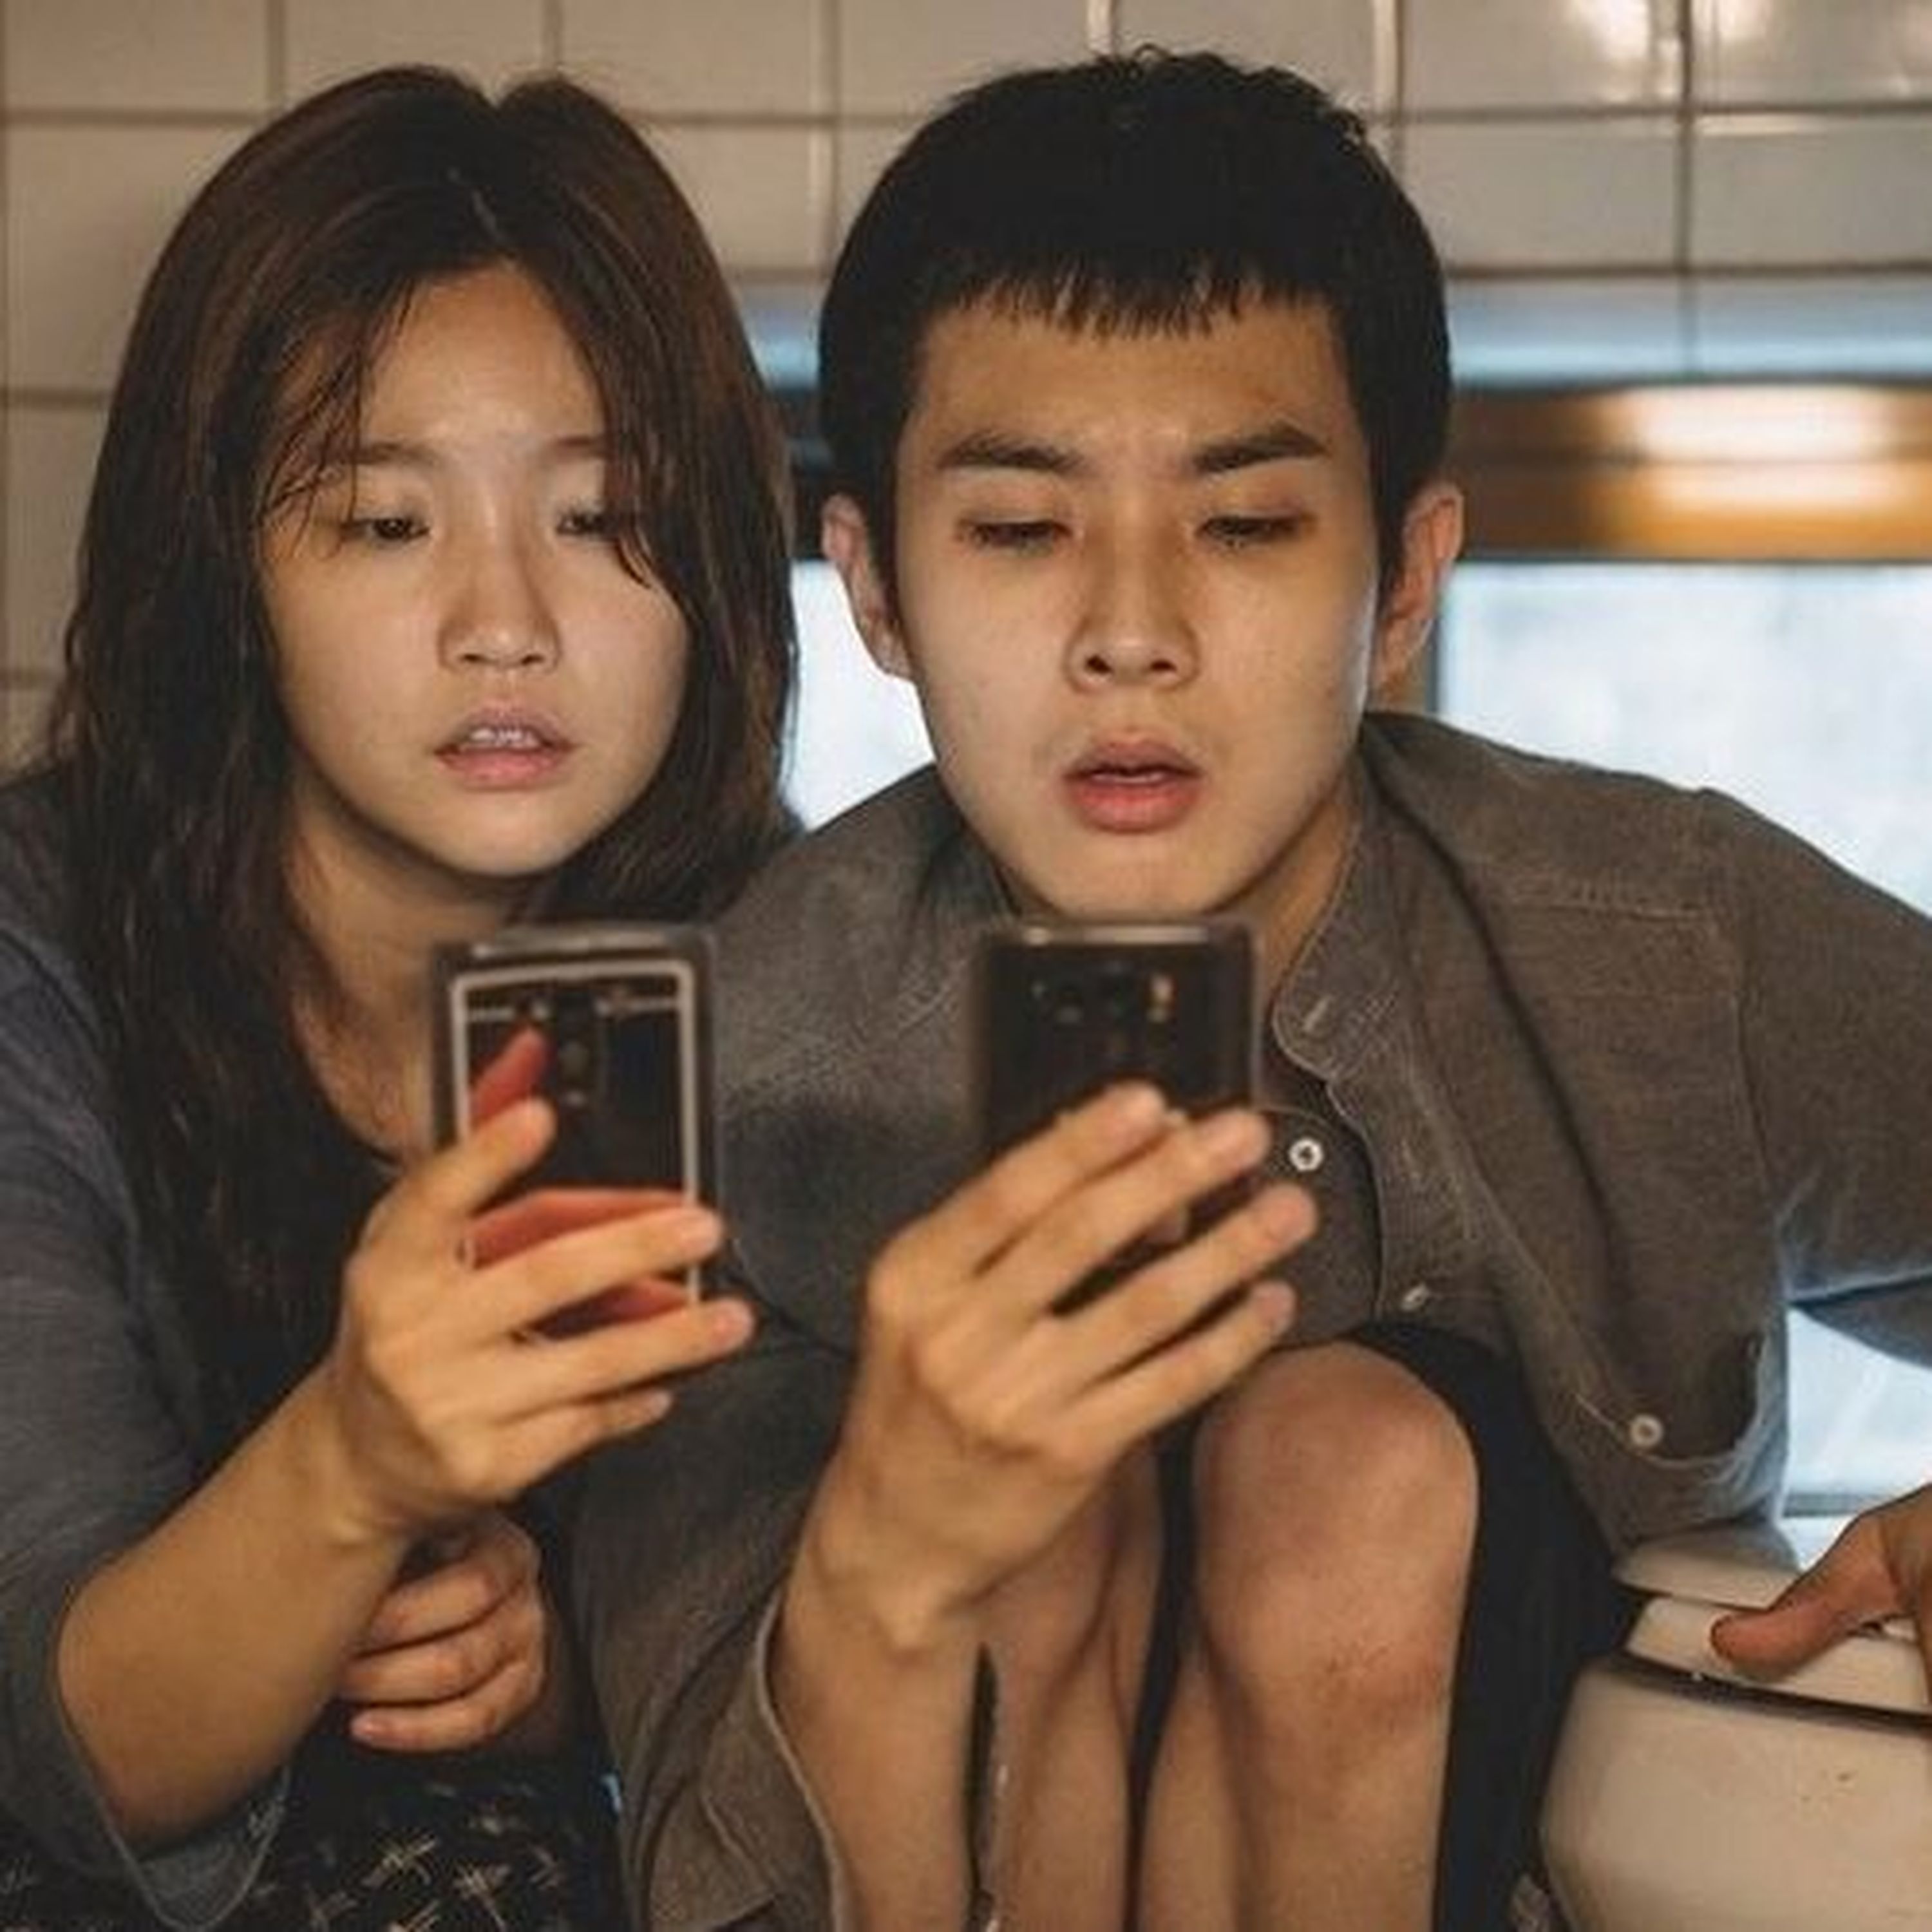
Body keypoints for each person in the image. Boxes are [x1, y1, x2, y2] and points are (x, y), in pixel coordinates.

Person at [573, 47, 1932, 1932]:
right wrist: (892, 1557)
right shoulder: (711, 1076)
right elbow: (710, 1876)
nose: (1132, 632)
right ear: (874, 590)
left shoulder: (1661, 941)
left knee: (1337, 1465)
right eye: (1020, 529)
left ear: (1406, 581)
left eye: (1246, 524)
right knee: (1038, 1500)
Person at [0, 63, 793, 1931]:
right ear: (226, 569)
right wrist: (352, 1463)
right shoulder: (39, 957)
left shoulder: (798, 955)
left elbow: (839, 1633)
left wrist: (570, 1669)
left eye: (601, 519)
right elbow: (66, 1745)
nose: (503, 622)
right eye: (383, 524)